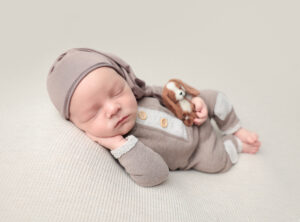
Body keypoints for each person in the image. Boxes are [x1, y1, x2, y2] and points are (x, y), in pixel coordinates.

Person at [47, 48, 261, 187]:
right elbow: (156, 175)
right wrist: (118, 144)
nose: (113, 108)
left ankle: (234, 128)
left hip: (192, 115)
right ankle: (236, 145)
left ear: (127, 81)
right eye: (93, 113)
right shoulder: (129, 148)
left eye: (116, 92)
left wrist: (194, 101)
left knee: (214, 96)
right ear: (77, 124)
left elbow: (169, 94)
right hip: (197, 151)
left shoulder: (144, 94)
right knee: (217, 162)